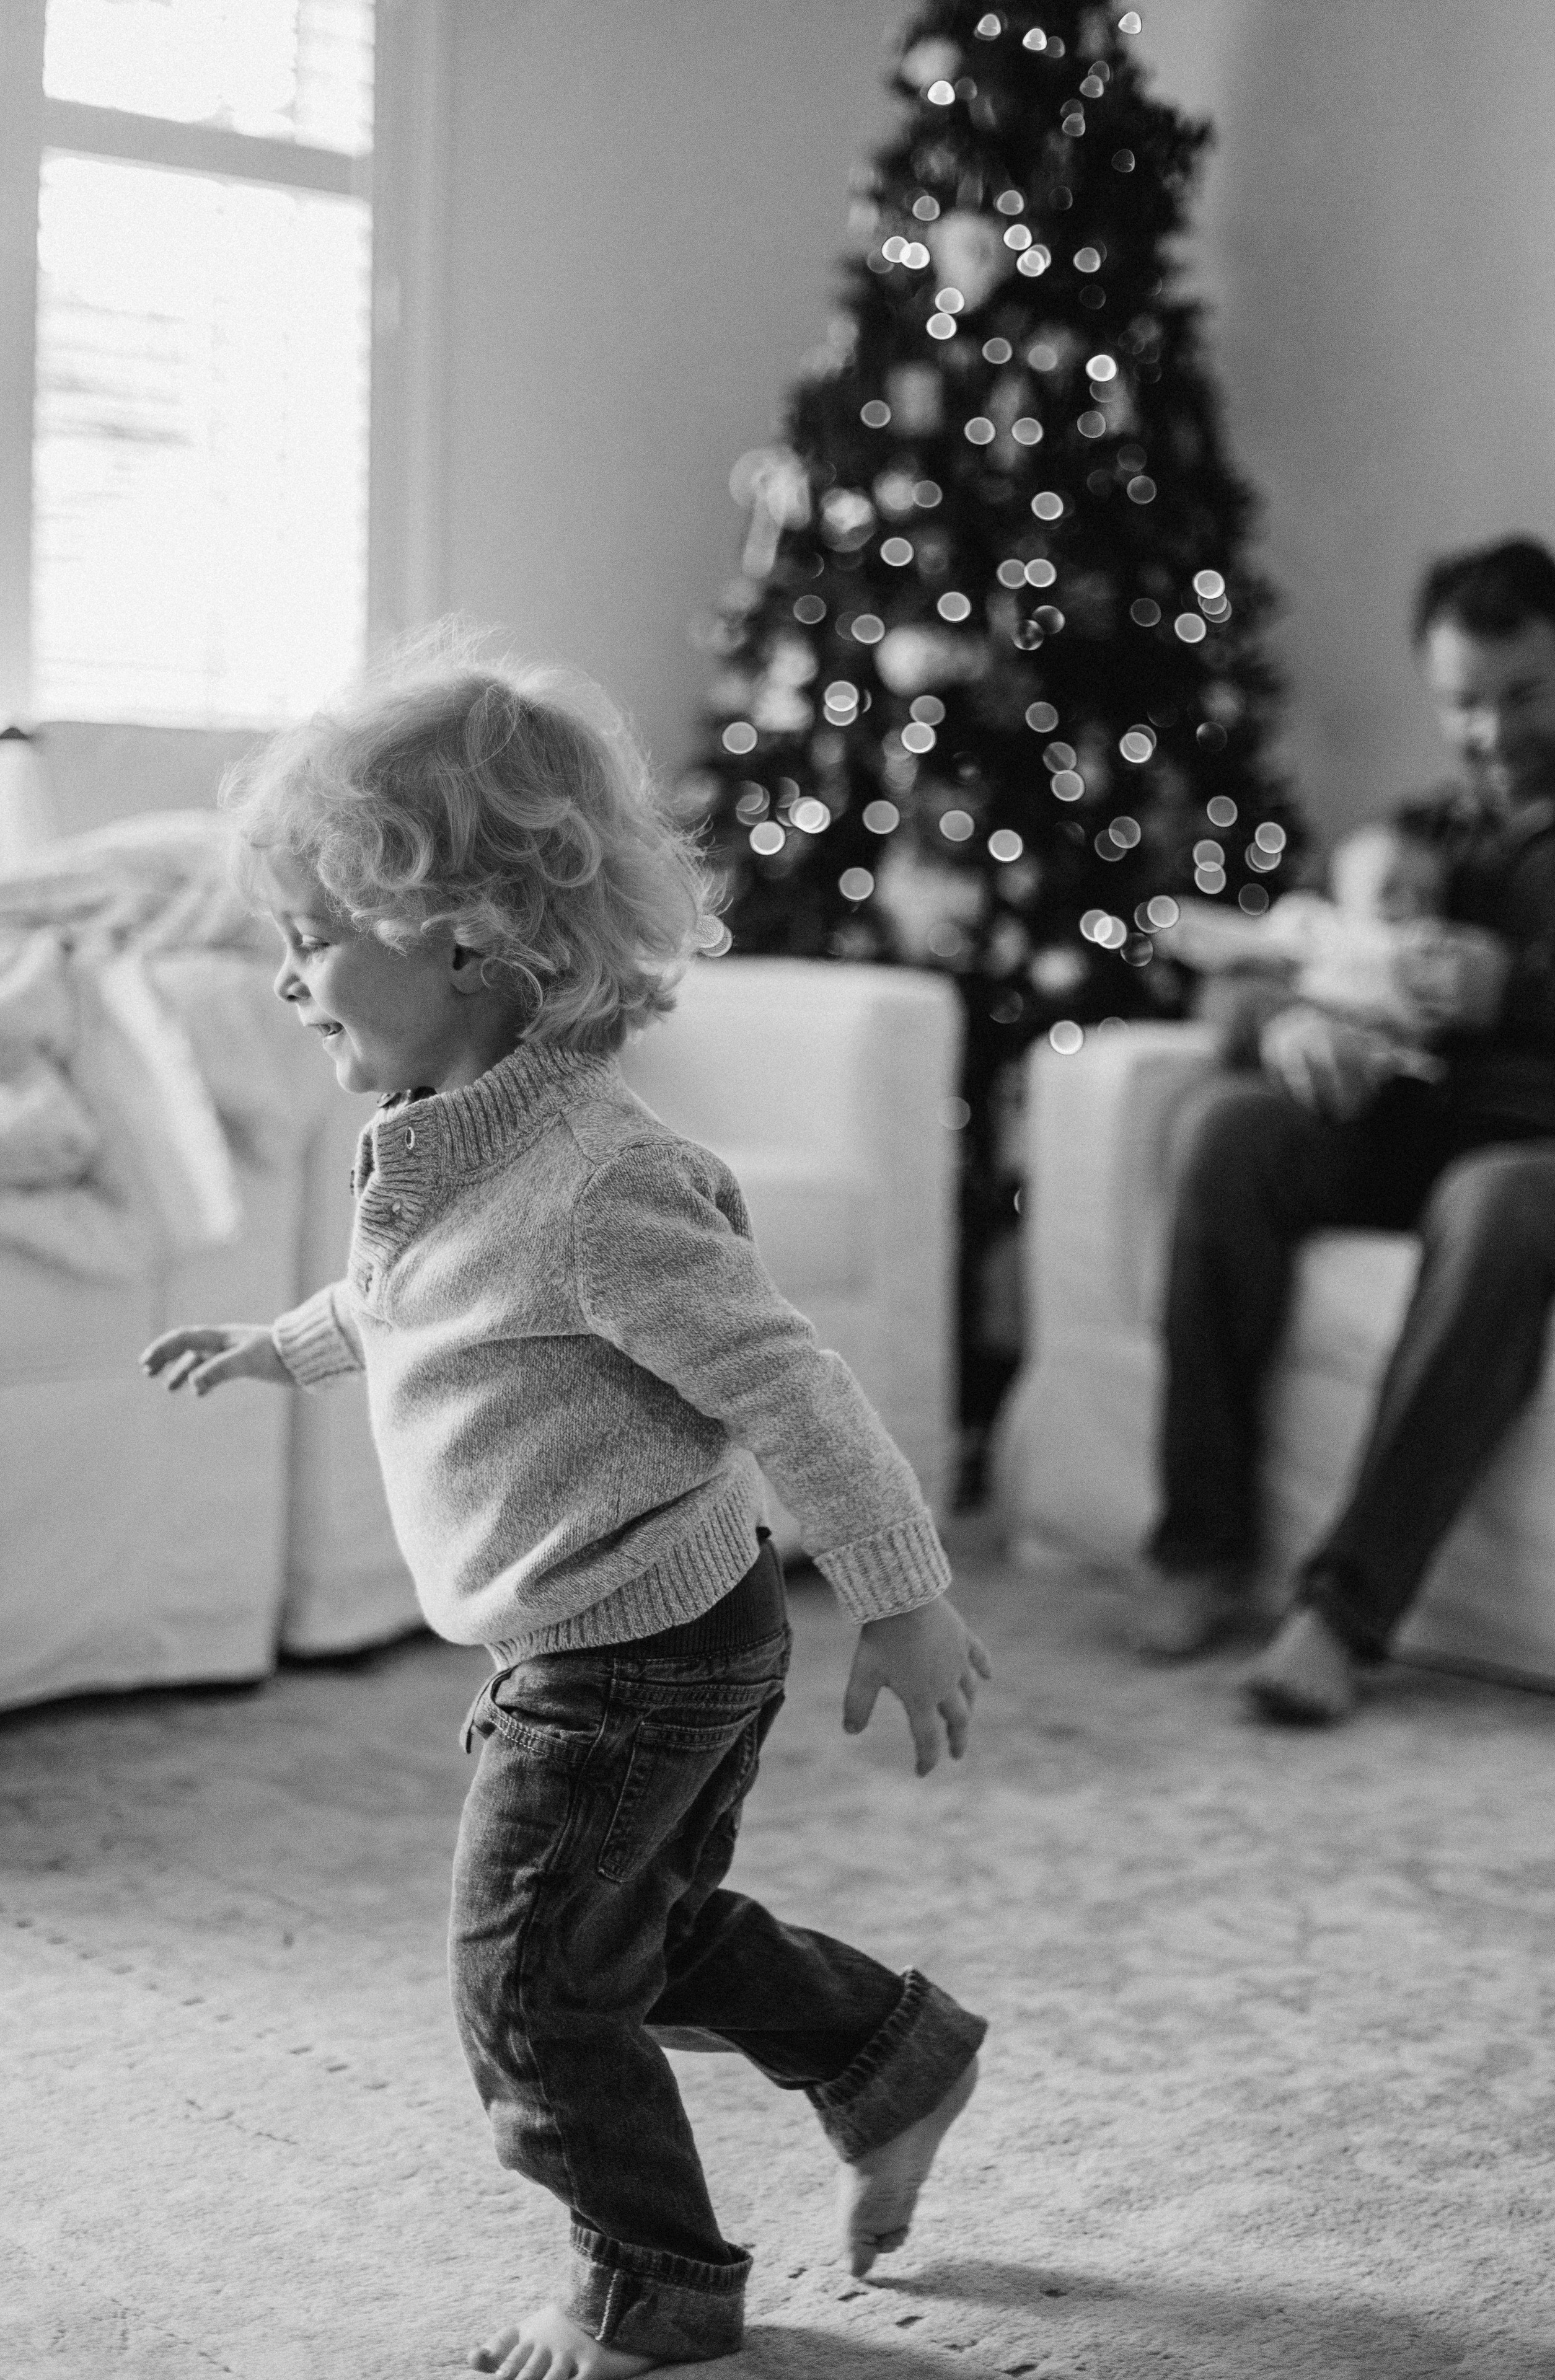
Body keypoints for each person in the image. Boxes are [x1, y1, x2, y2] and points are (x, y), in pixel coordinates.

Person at [141, 643, 990, 2380]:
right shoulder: (447, 1141)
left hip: (642, 1649)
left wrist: (901, 1590)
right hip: (606, 1633)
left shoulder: (603, 1187)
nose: (290, 979)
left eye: (313, 937)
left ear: (465, 937)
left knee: (527, 1982)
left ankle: (651, 2287)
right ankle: (887, 2056)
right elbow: (410, 1301)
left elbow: (792, 1388)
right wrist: (282, 1342)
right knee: (632, 1944)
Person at [1137, 536, 1555, 1724]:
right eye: (1463, 705)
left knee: (1493, 1198)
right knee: (1229, 1128)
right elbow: (1272, 966)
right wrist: (1287, 1026)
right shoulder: (1420, 841)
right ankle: (1202, 1546)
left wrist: (1522, 995)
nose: (1492, 734)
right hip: (1418, 1121)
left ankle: (1342, 1615)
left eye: (1523, 696)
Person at [1165, 806, 1485, 1084]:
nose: (1410, 905)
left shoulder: (1435, 942)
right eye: (1389, 890)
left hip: (1410, 1049)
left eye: (1427, 894)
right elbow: (1243, 945)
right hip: (1328, 1029)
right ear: (1342, 895)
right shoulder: (1322, 930)